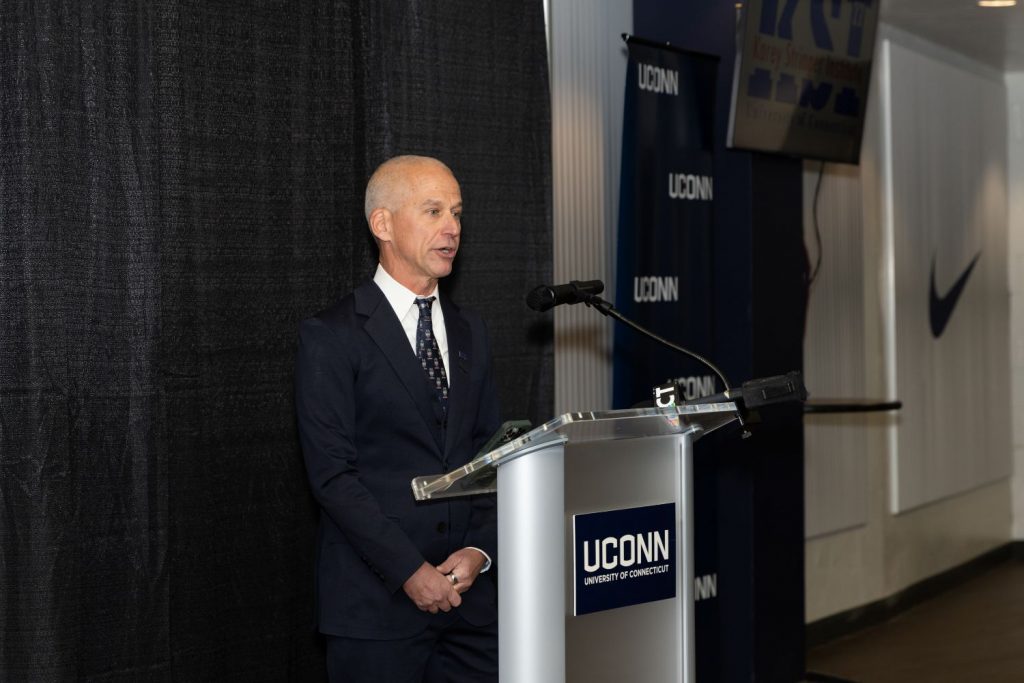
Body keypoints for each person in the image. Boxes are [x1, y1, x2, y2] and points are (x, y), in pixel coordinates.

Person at [295, 155, 501, 682]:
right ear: (382, 224)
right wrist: (410, 571)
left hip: (471, 610)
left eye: (456, 212)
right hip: (376, 609)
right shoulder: (333, 335)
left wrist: (480, 549)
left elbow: (491, 454)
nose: (452, 228)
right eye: (433, 211)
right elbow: (333, 477)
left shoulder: (471, 330)